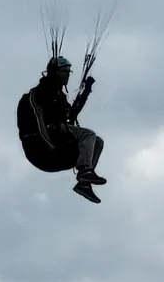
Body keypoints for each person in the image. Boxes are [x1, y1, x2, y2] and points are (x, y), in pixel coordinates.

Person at [16, 55, 106, 204]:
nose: (67, 75)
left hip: (57, 155)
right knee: (88, 135)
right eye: (64, 71)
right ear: (54, 72)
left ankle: (84, 184)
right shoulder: (42, 91)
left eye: (69, 72)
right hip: (43, 149)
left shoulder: (59, 96)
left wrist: (86, 90)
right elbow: (42, 107)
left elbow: (71, 114)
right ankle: (85, 171)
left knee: (97, 142)